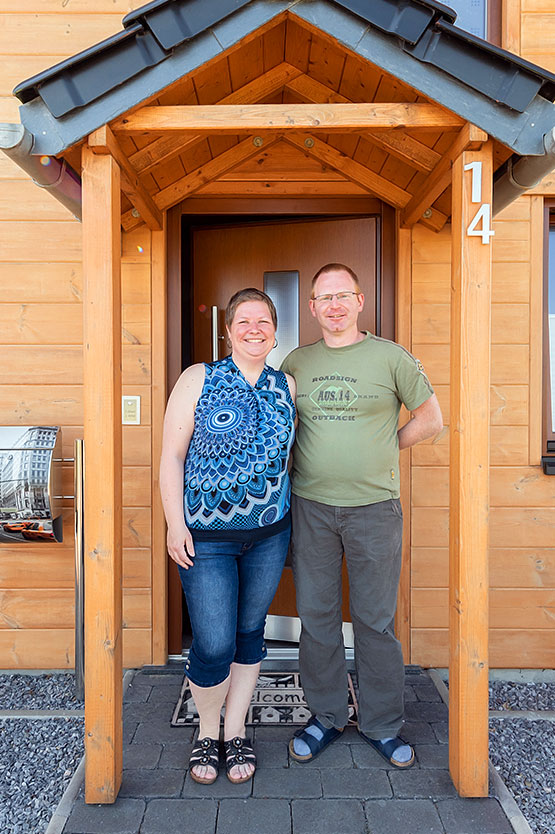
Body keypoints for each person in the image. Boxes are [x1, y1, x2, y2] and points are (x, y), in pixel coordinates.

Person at [281, 263, 443, 768]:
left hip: (375, 509)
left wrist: (385, 448)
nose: (334, 306)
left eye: (342, 296)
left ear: (359, 301)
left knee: (375, 621)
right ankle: (327, 716)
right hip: (311, 507)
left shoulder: (391, 358)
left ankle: (382, 724)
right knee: (317, 618)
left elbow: (431, 419)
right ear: (312, 307)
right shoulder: (295, 362)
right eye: (324, 298)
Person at [160, 288, 296, 785]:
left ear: (275, 332)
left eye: (263, 321)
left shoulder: (287, 385)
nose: (254, 329)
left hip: (269, 535)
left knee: (248, 633)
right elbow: (172, 456)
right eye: (244, 321)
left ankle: (235, 731)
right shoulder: (199, 377)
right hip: (206, 537)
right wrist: (175, 522)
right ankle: (206, 730)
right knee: (214, 643)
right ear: (228, 331)